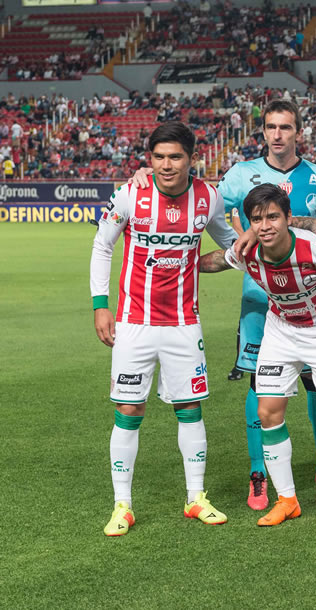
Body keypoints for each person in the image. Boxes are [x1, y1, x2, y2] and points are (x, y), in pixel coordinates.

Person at [133, 100, 316, 511]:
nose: (277, 134)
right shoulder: (239, 175)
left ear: (298, 131)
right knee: (257, 383)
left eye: (285, 127)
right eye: (270, 127)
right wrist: (145, 174)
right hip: (258, 299)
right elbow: (189, 189)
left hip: (312, 300)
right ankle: (258, 471)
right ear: (262, 132)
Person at [90, 121, 237, 536]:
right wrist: (101, 307)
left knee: (189, 410)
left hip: (183, 324)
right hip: (133, 324)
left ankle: (196, 498)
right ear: (149, 159)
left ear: (192, 159)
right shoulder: (131, 193)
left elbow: (228, 244)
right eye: (158, 157)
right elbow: (103, 245)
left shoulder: (209, 198)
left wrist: (231, 258)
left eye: (175, 157)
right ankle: (123, 505)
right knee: (129, 411)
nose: (167, 165)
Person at [198, 184, 316, 529]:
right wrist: (178, 263)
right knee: (267, 412)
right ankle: (287, 500)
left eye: (273, 216)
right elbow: (212, 262)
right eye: (257, 219)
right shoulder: (246, 252)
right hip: (281, 332)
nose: (265, 225)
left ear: (287, 218)